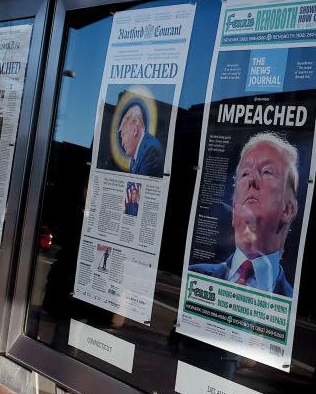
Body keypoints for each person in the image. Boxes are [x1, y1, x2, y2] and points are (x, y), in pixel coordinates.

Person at [189, 133, 299, 297]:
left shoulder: (293, 306)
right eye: (245, 173)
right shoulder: (192, 276)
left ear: (287, 210)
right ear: (234, 210)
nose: (252, 180)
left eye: (267, 172)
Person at [118, 104, 164, 177]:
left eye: (123, 135)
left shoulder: (151, 150)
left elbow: (139, 186)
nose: (122, 143)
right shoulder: (134, 159)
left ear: (134, 130)